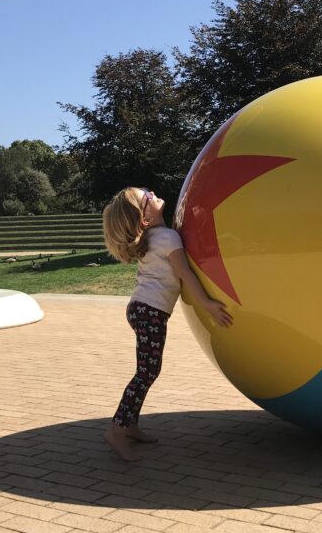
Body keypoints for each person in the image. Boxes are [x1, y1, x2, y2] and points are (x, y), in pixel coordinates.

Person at [101, 187, 233, 461]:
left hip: (141, 308)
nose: (152, 193)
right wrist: (207, 303)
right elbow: (184, 273)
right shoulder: (167, 237)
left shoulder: (152, 238)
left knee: (147, 371)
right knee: (147, 373)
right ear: (145, 219)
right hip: (150, 311)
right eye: (147, 197)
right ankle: (117, 429)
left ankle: (131, 425)